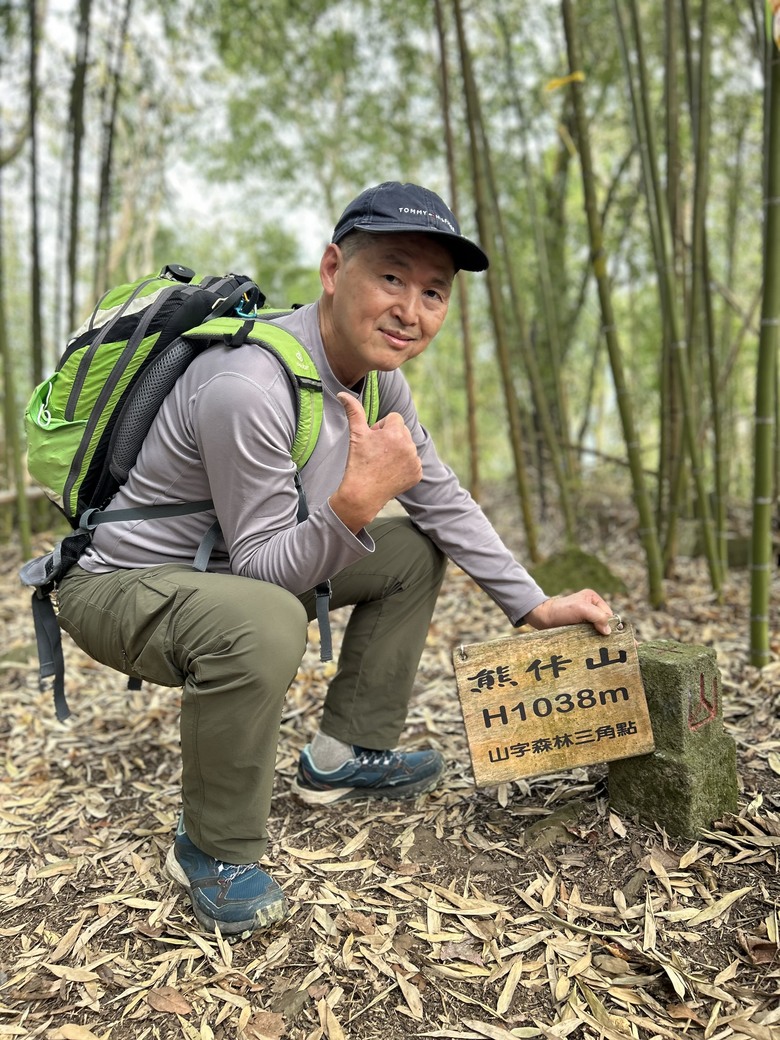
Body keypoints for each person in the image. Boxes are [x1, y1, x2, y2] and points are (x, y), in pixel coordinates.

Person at [55, 181, 614, 936]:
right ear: (331, 269)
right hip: (122, 586)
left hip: (224, 576)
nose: (410, 310)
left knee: (411, 548)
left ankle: (344, 752)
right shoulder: (245, 383)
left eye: (433, 292)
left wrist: (534, 604)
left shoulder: (381, 382)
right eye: (391, 277)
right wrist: (353, 506)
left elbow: (439, 496)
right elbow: (261, 571)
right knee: (265, 619)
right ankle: (213, 847)